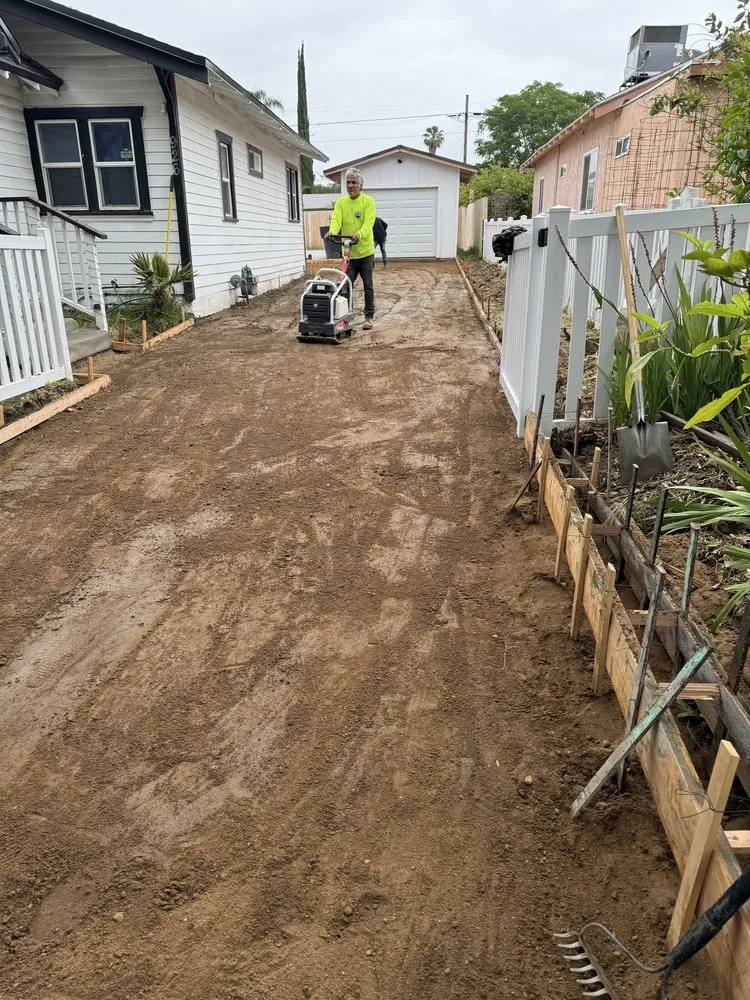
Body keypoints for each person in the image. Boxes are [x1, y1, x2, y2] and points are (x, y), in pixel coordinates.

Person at [324, 168, 376, 330]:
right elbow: (337, 219)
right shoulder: (341, 202)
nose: (350, 185)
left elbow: (369, 223)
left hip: (366, 253)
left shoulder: (368, 201)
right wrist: (332, 231)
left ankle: (368, 317)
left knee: (368, 285)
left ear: (360, 185)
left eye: (354, 182)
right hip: (349, 254)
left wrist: (360, 234)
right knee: (345, 285)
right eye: (348, 182)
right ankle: (345, 316)